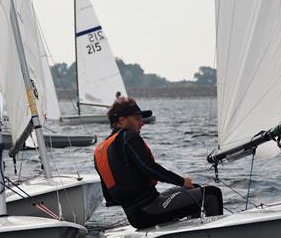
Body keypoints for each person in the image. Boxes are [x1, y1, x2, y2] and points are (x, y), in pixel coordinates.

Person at [93, 97, 223, 229]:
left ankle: (196, 230)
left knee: (193, 188)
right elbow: (148, 168)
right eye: (137, 119)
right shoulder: (128, 136)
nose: (142, 123)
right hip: (150, 209)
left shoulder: (100, 149)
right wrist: (181, 181)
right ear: (122, 121)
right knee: (212, 194)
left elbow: (109, 196)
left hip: (134, 214)